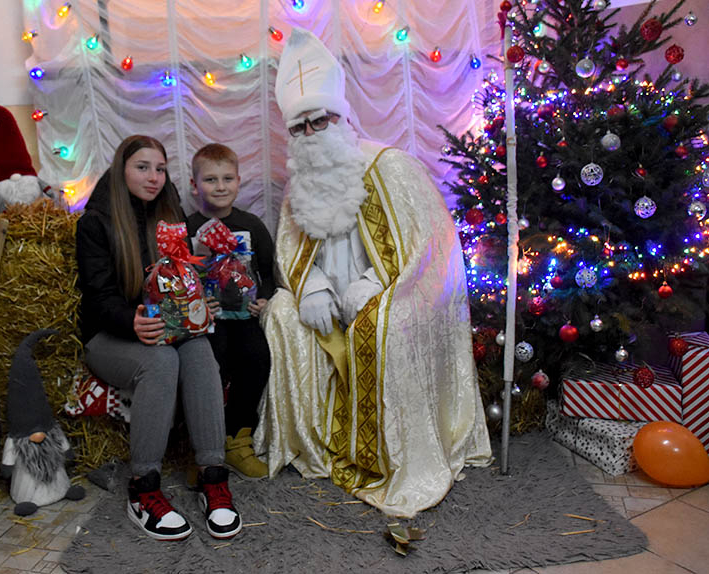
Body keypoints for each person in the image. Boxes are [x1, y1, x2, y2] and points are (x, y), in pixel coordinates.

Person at [253, 28, 493, 518]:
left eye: (321, 121)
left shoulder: (391, 166)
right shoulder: (300, 185)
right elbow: (291, 251)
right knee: (280, 311)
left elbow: (432, 250)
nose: (311, 134)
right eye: (300, 127)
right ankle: (315, 444)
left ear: (342, 117)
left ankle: (388, 454)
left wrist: (372, 287)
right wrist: (312, 287)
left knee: (382, 325)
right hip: (328, 305)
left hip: (391, 296)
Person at [75, 135, 241, 541]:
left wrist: (200, 302)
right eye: (142, 167)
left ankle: (212, 476)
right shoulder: (95, 222)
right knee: (161, 362)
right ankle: (143, 487)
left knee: (199, 349)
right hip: (111, 335)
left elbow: (178, 284)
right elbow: (98, 300)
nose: (153, 177)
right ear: (121, 170)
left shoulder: (171, 218)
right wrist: (130, 320)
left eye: (160, 169)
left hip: (165, 326)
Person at [186, 143, 275, 479]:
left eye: (227, 178)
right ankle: (203, 447)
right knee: (208, 363)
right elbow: (177, 276)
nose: (220, 186)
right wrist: (195, 301)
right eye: (210, 179)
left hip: (244, 318)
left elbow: (269, 273)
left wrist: (264, 299)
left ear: (239, 182)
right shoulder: (187, 228)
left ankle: (239, 439)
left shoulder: (252, 225)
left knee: (256, 356)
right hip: (205, 322)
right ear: (195, 186)